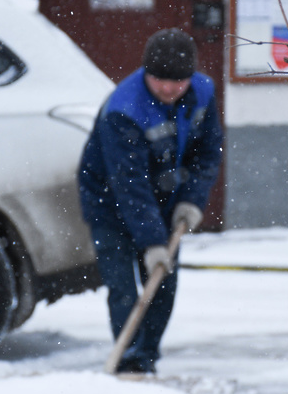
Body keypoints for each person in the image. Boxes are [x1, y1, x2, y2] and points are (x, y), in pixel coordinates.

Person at [78, 28, 224, 374]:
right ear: (147, 73)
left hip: (166, 197)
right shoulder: (124, 109)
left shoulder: (202, 92)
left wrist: (191, 201)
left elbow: (207, 153)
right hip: (108, 201)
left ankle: (146, 358)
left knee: (163, 285)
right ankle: (127, 364)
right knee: (124, 290)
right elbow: (129, 185)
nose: (170, 89)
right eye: (161, 80)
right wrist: (152, 241)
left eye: (179, 81)